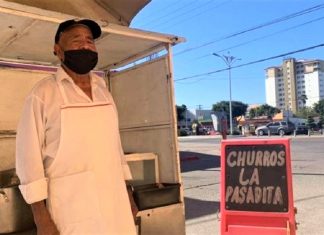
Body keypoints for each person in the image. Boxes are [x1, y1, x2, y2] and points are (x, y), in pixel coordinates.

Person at [16, 19, 137, 235]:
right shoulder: (42, 94)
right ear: (58, 50)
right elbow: (28, 160)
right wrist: (41, 219)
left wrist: (128, 196)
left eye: (90, 41)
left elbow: (115, 149)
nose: (85, 45)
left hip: (115, 205)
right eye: (76, 40)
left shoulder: (104, 92)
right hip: (72, 211)